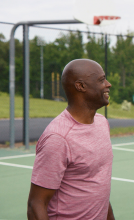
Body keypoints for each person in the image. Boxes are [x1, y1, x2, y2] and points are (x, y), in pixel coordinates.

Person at [27, 59, 115, 220]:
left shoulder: (102, 123)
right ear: (80, 86)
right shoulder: (58, 138)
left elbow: (98, 187)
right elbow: (36, 205)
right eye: (101, 80)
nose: (108, 84)